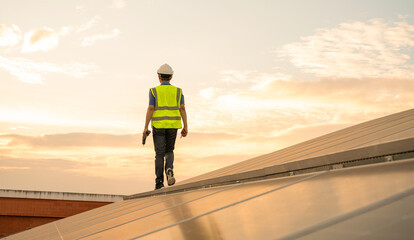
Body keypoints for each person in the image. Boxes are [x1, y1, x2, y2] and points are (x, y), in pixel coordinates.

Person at [143, 64, 188, 190]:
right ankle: (169, 168)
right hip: (173, 126)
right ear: (171, 77)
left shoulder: (154, 91)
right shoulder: (178, 91)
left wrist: (145, 127)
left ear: (159, 77)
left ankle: (159, 183)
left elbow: (151, 108)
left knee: (159, 154)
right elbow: (182, 108)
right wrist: (185, 126)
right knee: (169, 151)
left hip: (158, 126)